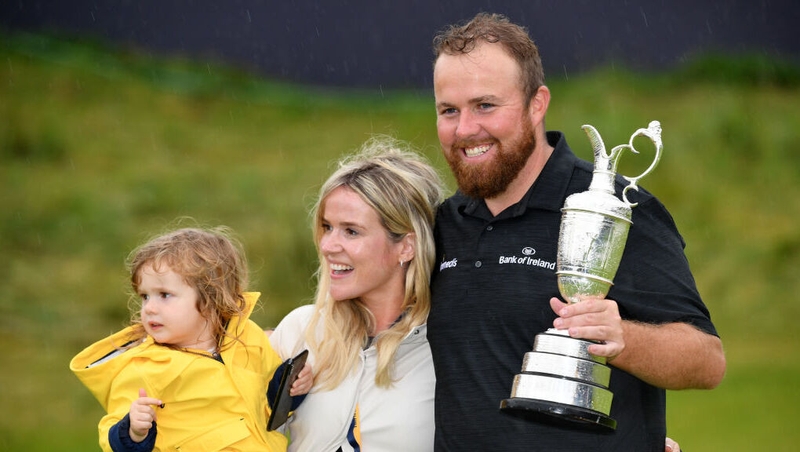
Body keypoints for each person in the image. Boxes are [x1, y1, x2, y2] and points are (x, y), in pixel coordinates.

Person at [427, 12, 726, 451]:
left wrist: (622, 339)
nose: (465, 128)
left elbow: (707, 362)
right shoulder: (439, 226)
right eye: (448, 110)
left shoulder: (616, 208)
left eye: (485, 105)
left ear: (536, 104)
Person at [268, 137, 445, 451]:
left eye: (351, 231)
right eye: (327, 227)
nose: (327, 246)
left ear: (407, 246)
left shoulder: (448, 346)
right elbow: (228, 424)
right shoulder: (300, 330)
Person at [70, 226, 311, 451]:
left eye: (164, 295)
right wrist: (133, 431)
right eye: (145, 296)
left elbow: (271, 406)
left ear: (210, 298)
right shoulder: (144, 367)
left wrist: (292, 387)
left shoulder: (247, 339)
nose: (150, 308)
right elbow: (112, 436)